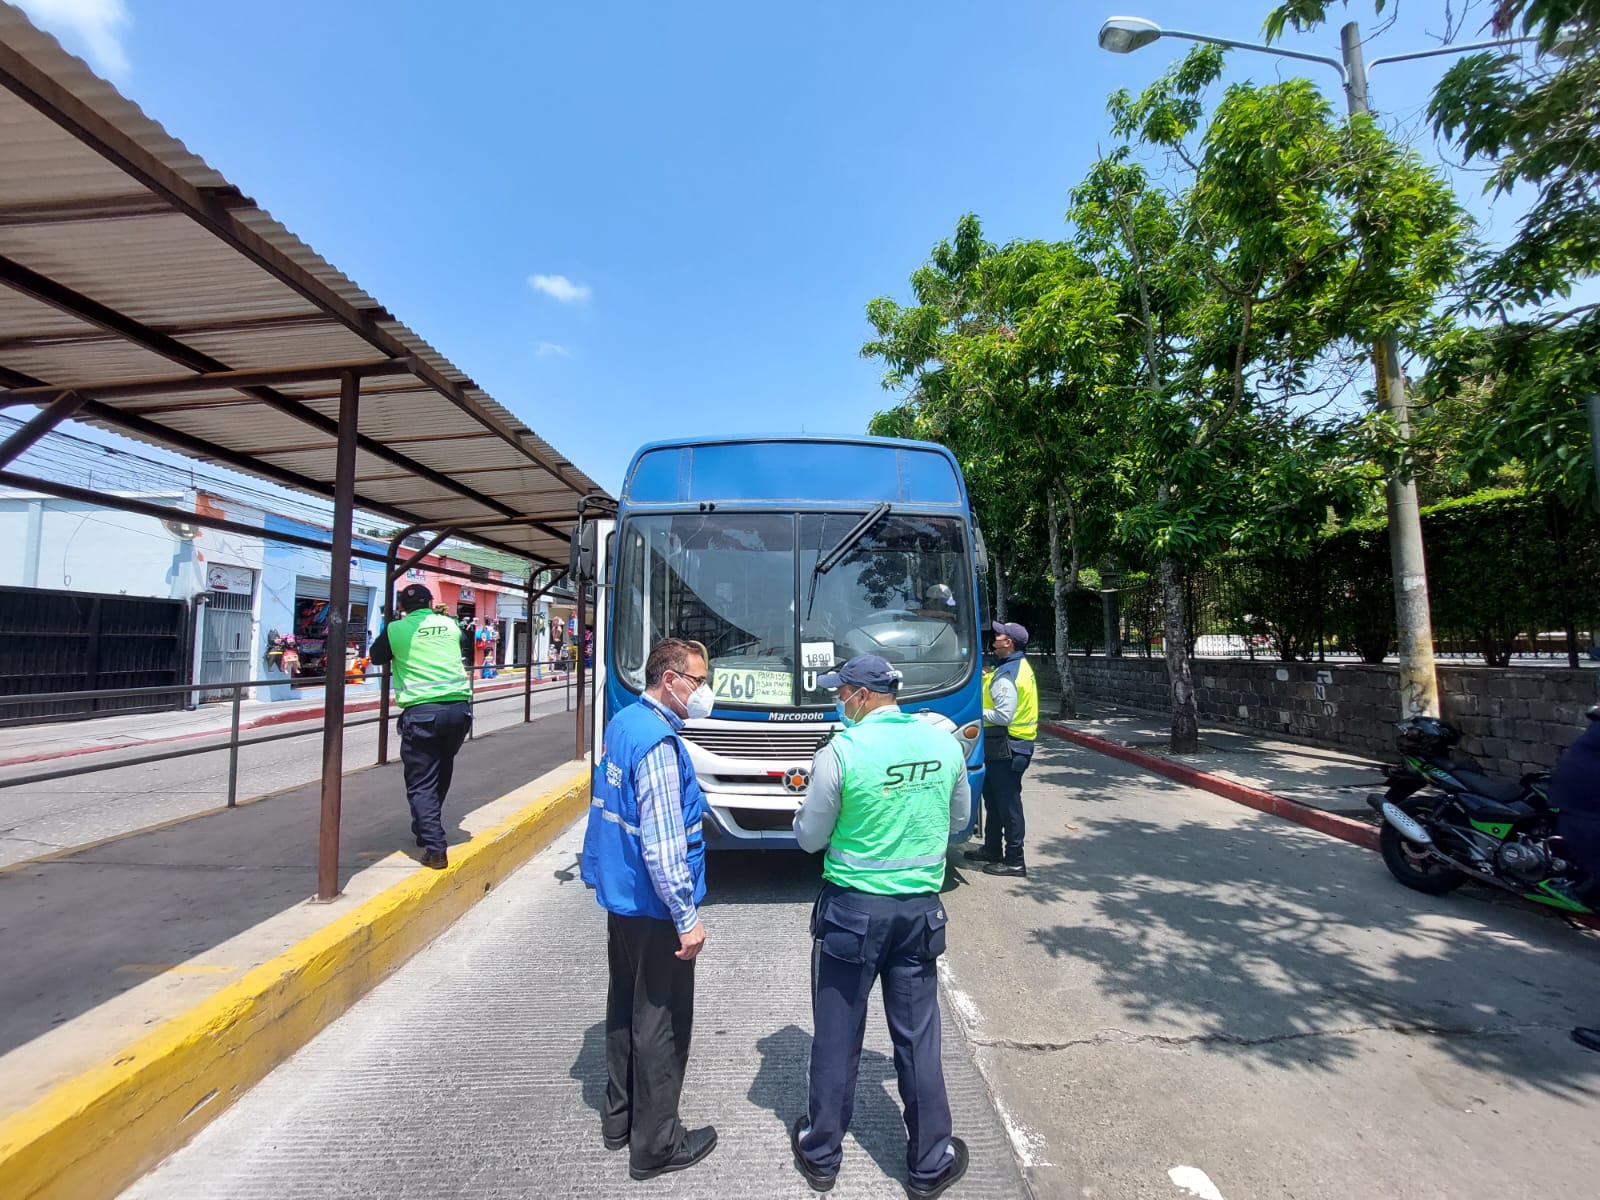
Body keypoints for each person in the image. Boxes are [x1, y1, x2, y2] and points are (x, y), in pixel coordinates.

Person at [792, 654, 971, 1199]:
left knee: (838, 1034)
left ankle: (821, 1153)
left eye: (839, 691)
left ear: (862, 696)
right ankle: (929, 1160)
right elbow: (959, 822)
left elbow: (809, 838)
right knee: (918, 1039)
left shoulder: (841, 753)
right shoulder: (945, 746)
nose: (835, 700)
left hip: (852, 915)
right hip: (918, 913)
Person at [580, 638, 718, 1182]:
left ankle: (619, 1120)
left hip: (622, 898)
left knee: (624, 1008)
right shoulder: (660, 744)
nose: (703, 692)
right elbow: (663, 845)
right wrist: (686, 915)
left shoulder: (624, 723)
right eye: (698, 681)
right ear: (670, 680)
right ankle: (657, 1144)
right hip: (655, 905)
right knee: (660, 1022)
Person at [368, 584, 473, 869]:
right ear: (431, 603)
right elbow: (467, 647)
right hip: (459, 709)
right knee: (442, 769)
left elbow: (376, 657)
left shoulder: (396, 629)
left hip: (423, 712)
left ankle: (435, 847)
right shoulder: (450, 624)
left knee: (421, 781)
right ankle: (424, 828)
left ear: (402, 606)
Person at [964, 621, 1038, 878]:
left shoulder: (1007, 674)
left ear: (1009, 643)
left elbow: (1003, 715)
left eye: (999, 635)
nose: (994, 638)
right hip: (1006, 746)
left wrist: (974, 713)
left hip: (1009, 747)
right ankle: (992, 849)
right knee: (994, 802)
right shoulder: (1010, 668)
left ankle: (1015, 860)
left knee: (1008, 805)